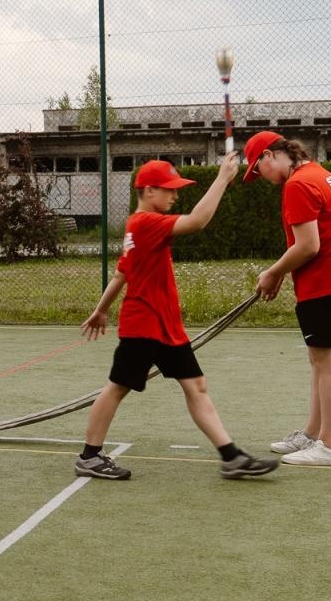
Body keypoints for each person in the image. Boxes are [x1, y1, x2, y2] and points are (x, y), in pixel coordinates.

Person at [76, 155, 276, 480]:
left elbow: (120, 275)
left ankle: (231, 457)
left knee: (196, 385)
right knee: (117, 387)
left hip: (165, 326)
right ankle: (89, 456)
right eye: (169, 190)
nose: (175, 196)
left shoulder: (136, 226)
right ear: (149, 190)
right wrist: (223, 178)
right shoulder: (145, 223)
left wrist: (100, 310)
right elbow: (197, 221)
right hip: (144, 325)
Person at [245, 131, 331, 467]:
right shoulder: (320, 174)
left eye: (257, 169)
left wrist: (273, 273)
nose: (260, 177)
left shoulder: (298, 184)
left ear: (270, 156)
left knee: (329, 363)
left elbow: (308, 245)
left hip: (330, 282)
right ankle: (313, 434)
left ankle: (330, 447)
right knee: (321, 361)